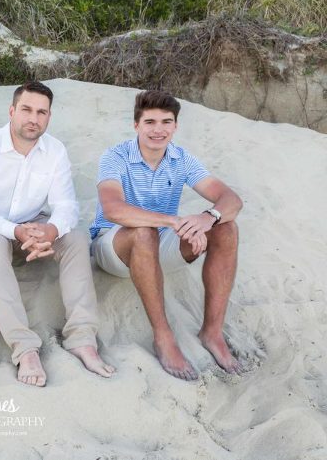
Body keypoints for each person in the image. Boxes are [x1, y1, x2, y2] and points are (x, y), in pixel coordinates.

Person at [0, 81, 114, 387]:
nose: (34, 118)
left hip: (35, 226)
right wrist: (15, 231)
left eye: (41, 112)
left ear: (49, 117)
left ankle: (82, 338)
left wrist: (51, 230)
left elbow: (67, 205)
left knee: (76, 240)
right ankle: (24, 347)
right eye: (27, 110)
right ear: (12, 111)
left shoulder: (54, 150)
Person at [90, 90, 243, 381]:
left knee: (227, 227)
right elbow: (112, 209)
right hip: (114, 248)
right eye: (150, 122)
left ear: (175, 126)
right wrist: (172, 221)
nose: (158, 130)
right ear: (136, 125)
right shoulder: (115, 157)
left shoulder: (181, 159)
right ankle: (163, 337)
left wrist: (207, 218)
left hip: (161, 244)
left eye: (166, 122)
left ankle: (212, 332)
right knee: (144, 233)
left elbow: (231, 198)